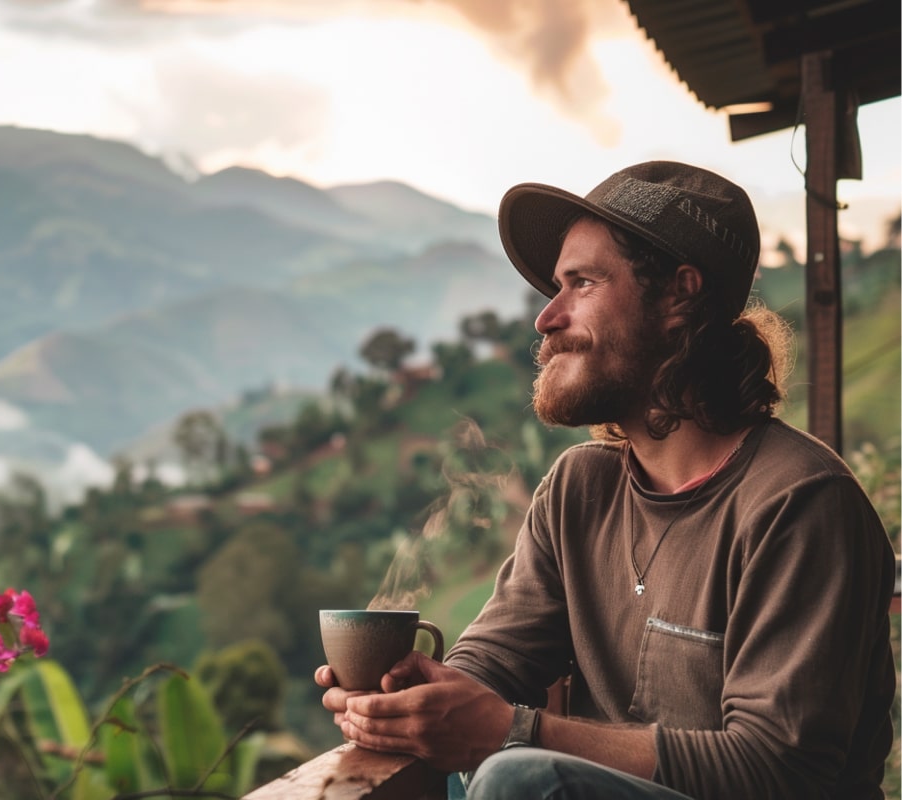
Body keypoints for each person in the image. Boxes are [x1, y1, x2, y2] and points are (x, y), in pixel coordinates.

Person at [314, 161, 897, 799]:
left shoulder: (799, 503)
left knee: (519, 781)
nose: (546, 318)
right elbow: (496, 661)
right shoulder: (578, 491)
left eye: (582, 283)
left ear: (680, 294)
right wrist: (412, 696)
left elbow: (777, 768)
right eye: (554, 289)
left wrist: (515, 734)